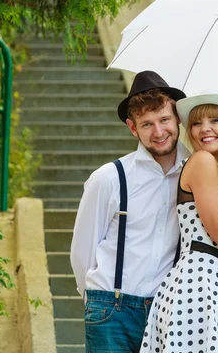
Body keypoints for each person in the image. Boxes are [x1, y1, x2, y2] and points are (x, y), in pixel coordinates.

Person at [70, 70, 190, 352]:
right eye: (147, 124)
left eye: (164, 120)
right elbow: (82, 251)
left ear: (178, 119)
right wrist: (97, 301)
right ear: (132, 128)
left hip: (168, 314)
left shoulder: (196, 174)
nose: (158, 132)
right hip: (111, 311)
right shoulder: (109, 178)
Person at [140, 91, 218, 353]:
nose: (204, 129)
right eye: (197, 123)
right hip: (195, 288)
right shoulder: (201, 162)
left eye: (214, 120)